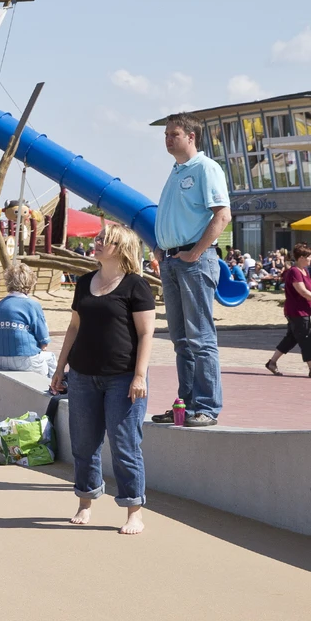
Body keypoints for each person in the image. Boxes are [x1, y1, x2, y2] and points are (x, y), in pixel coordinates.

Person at [52, 223, 155, 535]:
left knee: (125, 445)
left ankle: (133, 511)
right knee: (83, 444)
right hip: (83, 375)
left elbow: (146, 332)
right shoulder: (84, 283)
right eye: (96, 239)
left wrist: (139, 376)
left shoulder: (137, 286)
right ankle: (85, 501)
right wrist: (60, 369)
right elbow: (73, 327)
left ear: (119, 248)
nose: (95, 243)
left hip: (123, 378)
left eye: (103, 240)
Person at [152, 112, 231, 428]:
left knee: (200, 338)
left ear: (191, 137)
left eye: (174, 133)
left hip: (193, 262)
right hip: (171, 260)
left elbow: (222, 215)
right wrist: (160, 249)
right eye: (167, 134)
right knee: (181, 340)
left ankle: (208, 407)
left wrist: (195, 252)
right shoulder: (177, 170)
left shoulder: (205, 168)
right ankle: (185, 404)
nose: (168, 139)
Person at [0, 261, 56, 378]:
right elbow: (44, 338)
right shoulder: (32, 305)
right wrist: (42, 346)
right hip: (25, 357)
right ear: (30, 282)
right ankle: (56, 388)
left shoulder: (2, 304)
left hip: (1, 358)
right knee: (51, 358)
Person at [265, 242, 311, 377]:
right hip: (297, 312)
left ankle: (272, 363)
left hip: (304, 310)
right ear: (301, 257)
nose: (310, 259)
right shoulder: (294, 272)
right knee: (306, 339)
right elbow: (302, 291)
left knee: (291, 338)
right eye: (309, 256)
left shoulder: (305, 271)